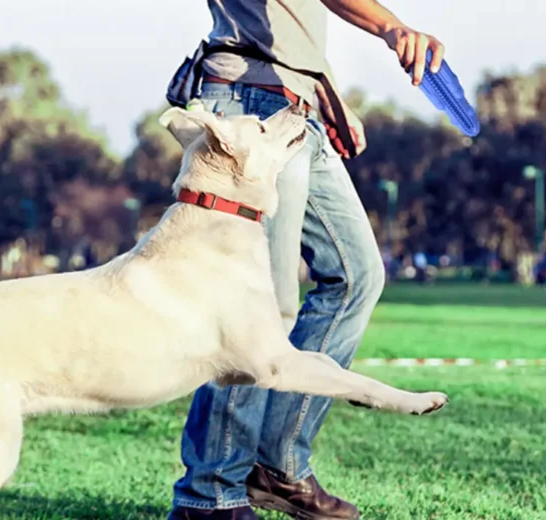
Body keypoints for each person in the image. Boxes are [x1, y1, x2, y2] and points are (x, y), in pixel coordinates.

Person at [164, 1, 447, 519]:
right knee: (258, 312)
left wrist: (326, 93)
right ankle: (210, 495)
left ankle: (276, 464)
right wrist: (391, 28)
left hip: (297, 109)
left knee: (356, 276)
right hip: (248, 112)